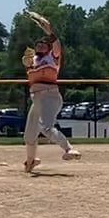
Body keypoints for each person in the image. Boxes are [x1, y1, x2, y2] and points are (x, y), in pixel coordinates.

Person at [20, 12, 78, 173]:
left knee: (46, 127)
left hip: (50, 96)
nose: (40, 46)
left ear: (48, 48)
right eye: (38, 44)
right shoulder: (33, 60)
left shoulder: (53, 58)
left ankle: (69, 149)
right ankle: (31, 161)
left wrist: (48, 31)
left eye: (44, 44)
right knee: (29, 134)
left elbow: (57, 45)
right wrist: (27, 64)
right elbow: (30, 71)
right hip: (37, 99)